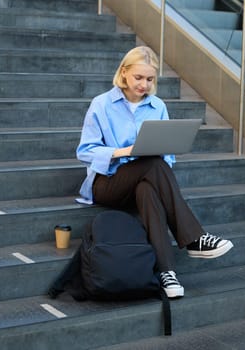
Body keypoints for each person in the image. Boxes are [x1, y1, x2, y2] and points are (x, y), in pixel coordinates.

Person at [76, 46, 233, 299]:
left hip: (146, 179)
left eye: (150, 79)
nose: (144, 84)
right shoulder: (102, 104)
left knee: (149, 187)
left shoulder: (157, 106)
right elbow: (84, 151)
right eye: (139, 77)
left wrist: (154, 169)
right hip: (107, 183)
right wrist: (122, 152)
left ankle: (166, 272)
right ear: (124, 73)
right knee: (153, 165)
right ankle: (195, 238)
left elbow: (166, 156)